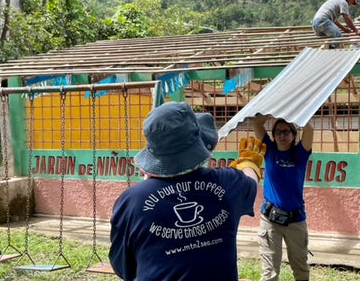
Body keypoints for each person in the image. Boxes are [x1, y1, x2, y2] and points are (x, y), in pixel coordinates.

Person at [109, 101, 266, 281]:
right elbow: (250, 180)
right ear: (199, 143)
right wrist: (250, 162)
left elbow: (123, 267)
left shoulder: (132, 201)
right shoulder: (228, 182)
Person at [253, 115, 313, 281]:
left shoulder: (300, 154)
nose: (282, 135)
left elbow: (309, 129)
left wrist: (297, 113)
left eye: (286, 132)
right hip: (270, 221)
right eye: (278, 132)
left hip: (296, 221)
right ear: (273, 135)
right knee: (270, 273)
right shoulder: (270, 151)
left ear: (294, 135)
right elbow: (256, 122)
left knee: (300, 269)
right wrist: (274, 111)